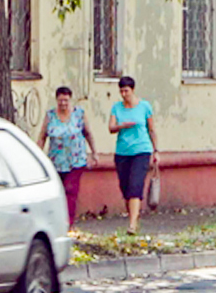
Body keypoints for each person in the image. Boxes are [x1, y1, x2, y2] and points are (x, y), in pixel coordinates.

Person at [38, 86, 98, 228]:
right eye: (60, 101)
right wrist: (38, 156)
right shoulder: (50, 115)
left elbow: (88, 133)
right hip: (56, 162)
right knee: (56, 192)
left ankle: (68, 223)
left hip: (75, 161)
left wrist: (94, 152)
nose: (63, 103)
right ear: (56, 100)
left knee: (70, 191)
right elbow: (42, 137)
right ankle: (55, 222)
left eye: (66, 100)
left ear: (70, 100)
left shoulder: (79, 114)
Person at [107, 75, 157, 233]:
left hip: (142, 150)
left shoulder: (144, 107)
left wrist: (156, 150)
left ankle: (132, 224)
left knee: (136, 185)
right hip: (122, 152)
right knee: (126, 188)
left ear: (133, 90)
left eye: (126, 91)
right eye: (121, 91)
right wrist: (122, 126)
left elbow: (151, 129)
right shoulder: (117, 108)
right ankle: (133, 217)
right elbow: (111, 127)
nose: (124, 94)